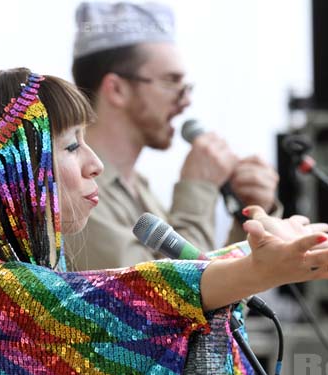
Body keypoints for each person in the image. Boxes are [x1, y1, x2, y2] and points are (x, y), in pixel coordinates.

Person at [0, 68, 328, 375]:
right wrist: (253, 266)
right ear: (11, 168)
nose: (94, 163)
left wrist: (254, 254)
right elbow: (123, 296)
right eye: (72, 145)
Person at [66, 1, 283, 270]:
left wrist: (249, 219)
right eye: (171, 81)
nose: (185, 101)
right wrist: (198, 188)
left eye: (186, 86)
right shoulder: (73, 192)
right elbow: (165, 301)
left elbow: (217, 299)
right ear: (117, 89)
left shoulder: (139, 189)